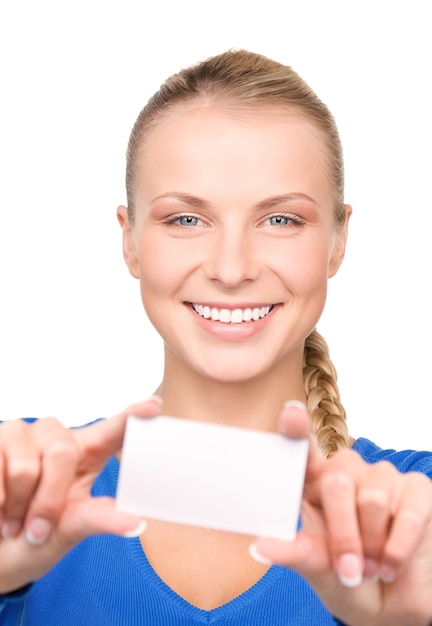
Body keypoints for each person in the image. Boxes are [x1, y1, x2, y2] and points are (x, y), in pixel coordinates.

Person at [1, 49, 431, 626]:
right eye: (186, 219)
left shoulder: (418, 513)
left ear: (337, 240)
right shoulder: (17, 485)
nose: (231, 268)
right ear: (129, 240)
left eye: (281, 219)